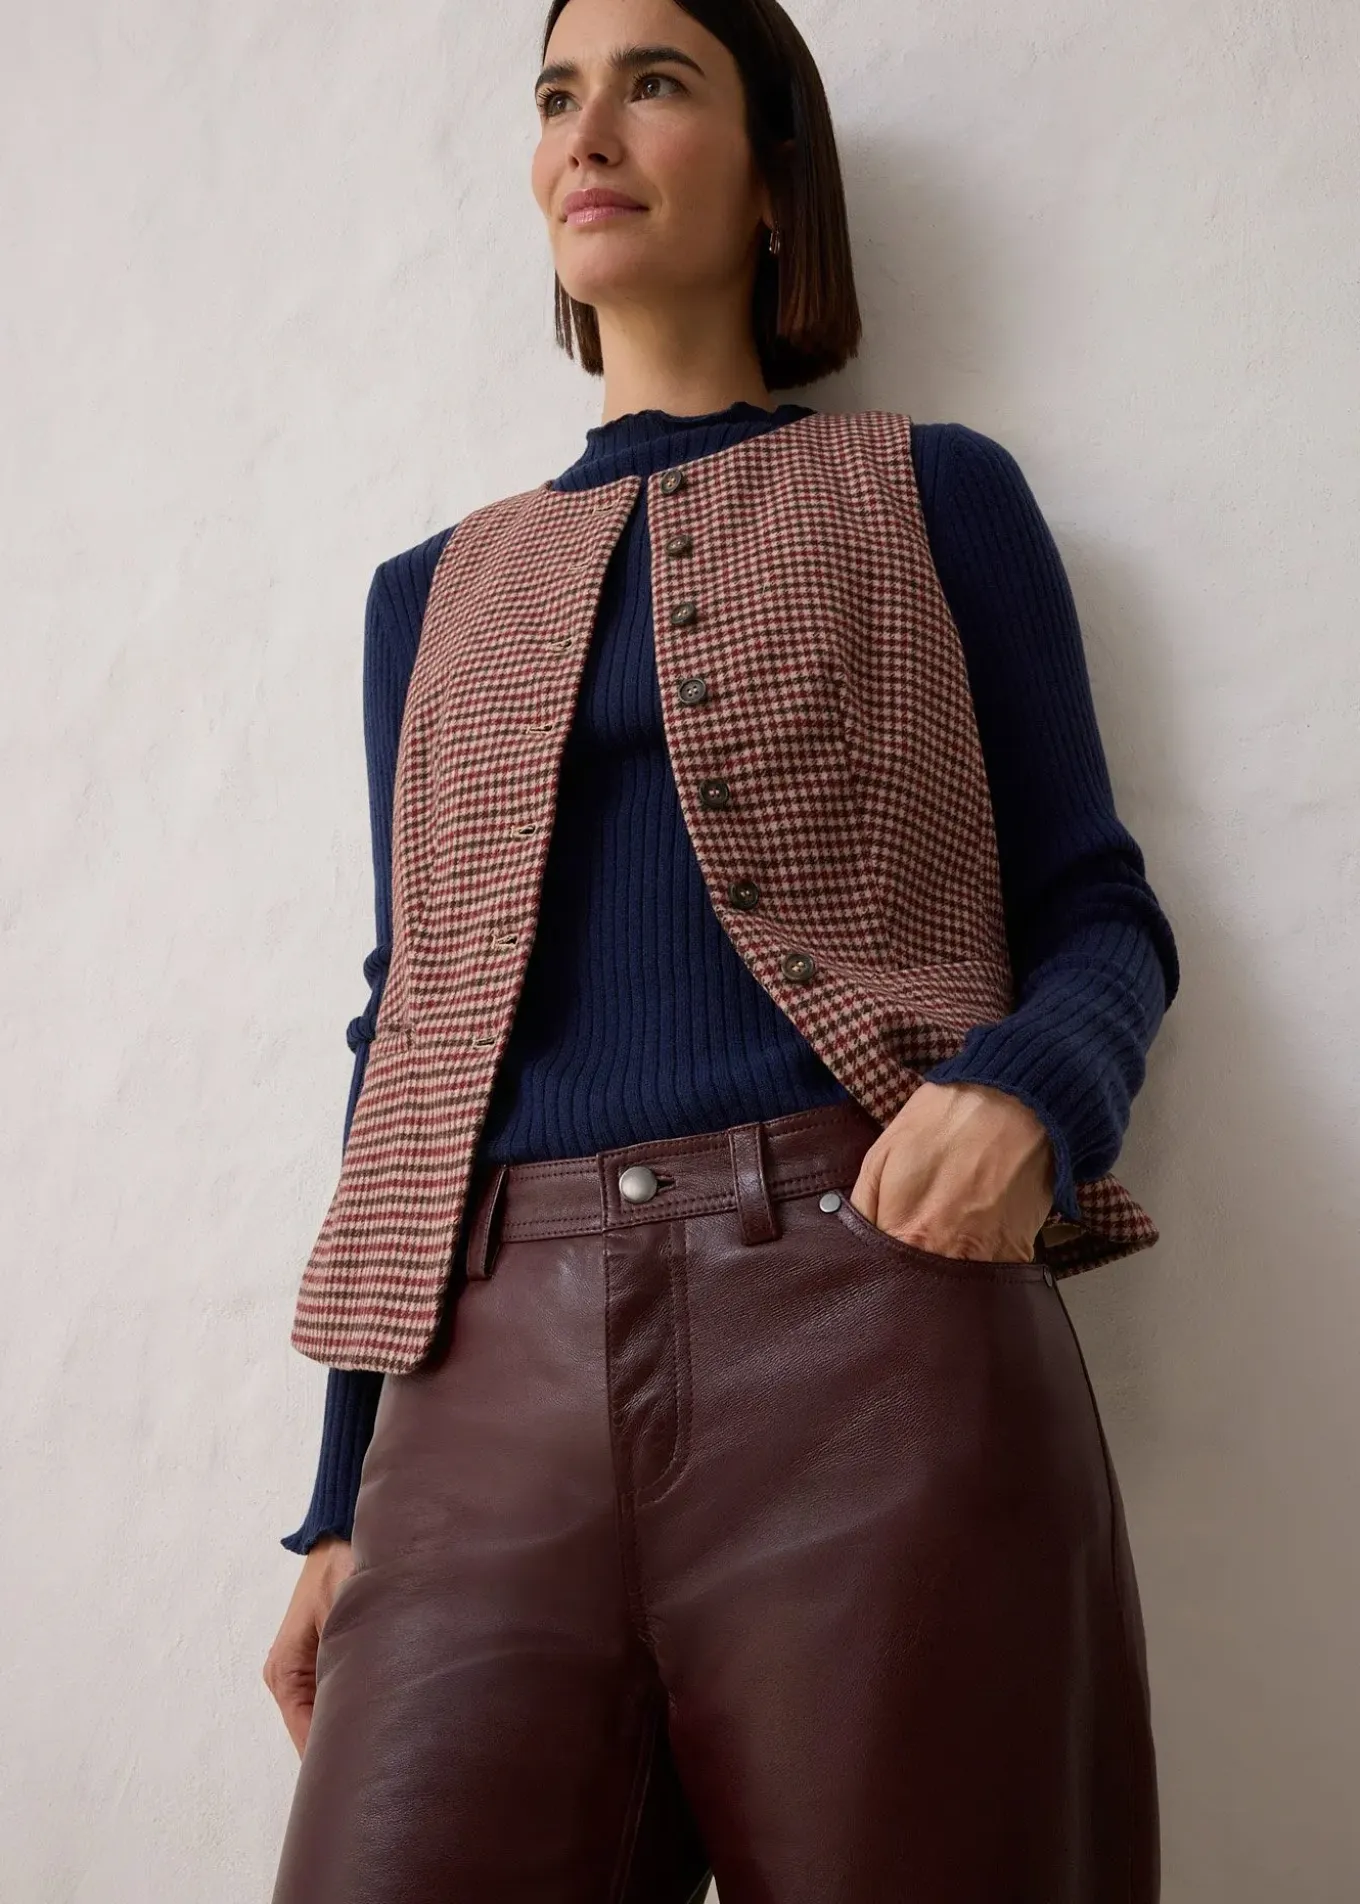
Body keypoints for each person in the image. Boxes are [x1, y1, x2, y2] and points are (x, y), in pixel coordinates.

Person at [265, 0, 1180, 1898]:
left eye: (654, 84)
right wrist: (344, 1493)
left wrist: (1028, 1095)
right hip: (481, 1394)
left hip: (871, 1333)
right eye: (556, 97)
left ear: (775, 183)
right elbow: (410, 1037)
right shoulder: (425, 597)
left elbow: (1097, 908)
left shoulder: (931, 492)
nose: (586, 133)